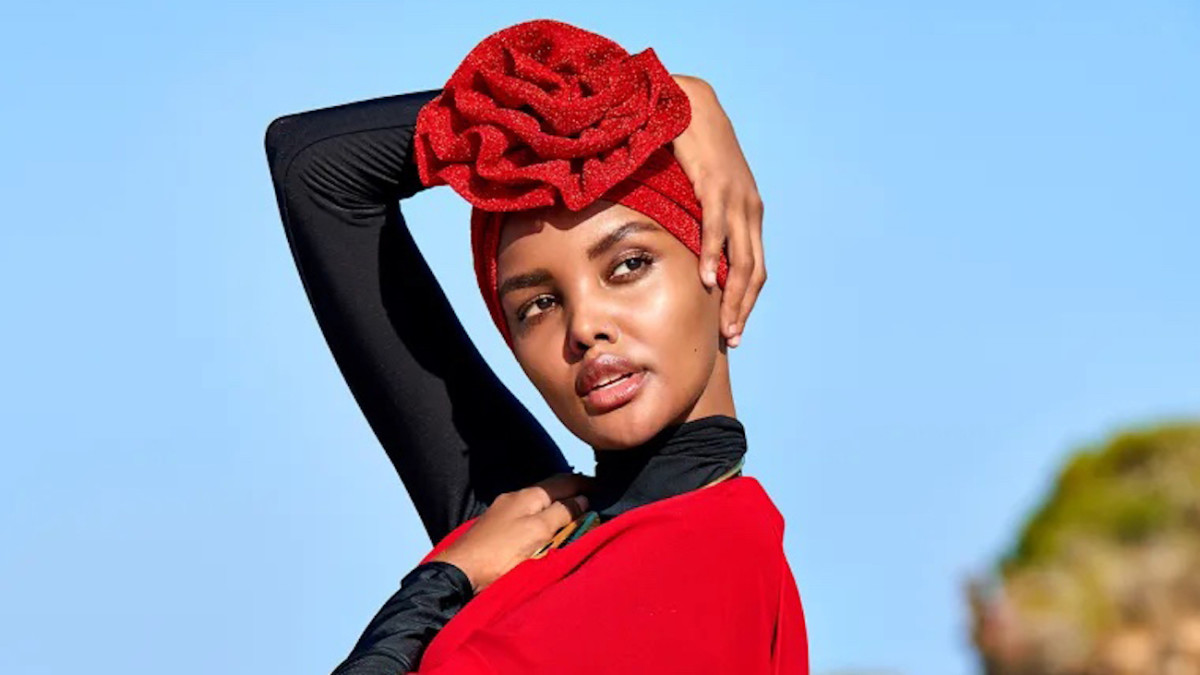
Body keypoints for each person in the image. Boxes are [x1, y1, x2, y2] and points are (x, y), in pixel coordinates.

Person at [264, 18, 805, 674]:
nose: (585, 324)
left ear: (720, 260)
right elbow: (315, 168)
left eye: (628, 265)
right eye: (537, 304)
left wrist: (442, 581)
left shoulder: (725, 553)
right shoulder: (530, 518)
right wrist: (655, 97)